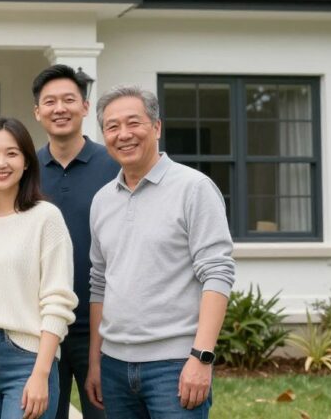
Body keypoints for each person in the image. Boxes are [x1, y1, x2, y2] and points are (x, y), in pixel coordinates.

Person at [85, 86, 235, 419]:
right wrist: (95, 362)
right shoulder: (102, 200)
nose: (123, 134)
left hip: (175, 365)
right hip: (113, 367)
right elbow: (99, 284)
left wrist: (201, 357)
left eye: (133, 123)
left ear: (157, 127)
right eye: (112, 126)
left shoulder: (194, 189)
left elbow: (218, 273)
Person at [0, 116, 77, 419]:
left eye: (12, 153)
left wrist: (41, 373)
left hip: (27, 358)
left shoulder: (46, 218)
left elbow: (58, 302)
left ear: (26, 162)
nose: (1, 162)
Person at [32, 65, 119, 419]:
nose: (59, 108)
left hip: (102, 331)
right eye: (49, 102)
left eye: (69, 100)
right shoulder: (24, 169)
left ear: (85, 106)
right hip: (39, 331)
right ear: (38, 112)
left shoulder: (114, 164)